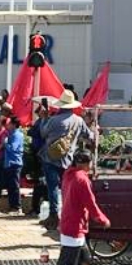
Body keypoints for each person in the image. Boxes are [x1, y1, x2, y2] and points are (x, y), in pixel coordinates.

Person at [48, 151, 110, 265]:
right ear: (83, 163)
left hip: (68, 220)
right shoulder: (82, 179)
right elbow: (90, 203)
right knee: (65, 260)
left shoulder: (68, 175)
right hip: (75, 224)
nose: (91, 166)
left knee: (84, 257)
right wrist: (102, 219)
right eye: (90, 163)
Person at [38, 90, 95, 231]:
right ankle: (66, 214)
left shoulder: (53, 120)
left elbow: (43, 133)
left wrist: (44, 118)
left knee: (52, 188)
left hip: (50, 158)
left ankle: (53, 215)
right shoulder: (78, 120)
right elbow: (90, 136)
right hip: (68, 159)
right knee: (66, 189)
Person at [4, 120, 25, 213]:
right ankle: (12, 205)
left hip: (14, 162)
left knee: (15, 185)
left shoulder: (17, 135)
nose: (7, 125)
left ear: (14, 124)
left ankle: (17, 206)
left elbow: (13, 148)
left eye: (9, 123)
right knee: (10, 185)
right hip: (9, 162)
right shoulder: (11, 134)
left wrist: (5, 143)